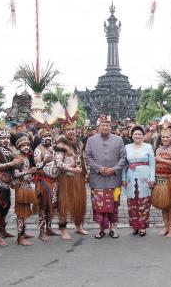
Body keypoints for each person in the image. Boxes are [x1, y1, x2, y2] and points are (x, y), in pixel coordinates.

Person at [85, 115, 127, 239]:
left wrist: (113, 169)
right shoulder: (91, 140)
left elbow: (123, 157)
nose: (105, 127)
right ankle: (101, 229)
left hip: (114, 179)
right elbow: (87, 157)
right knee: (98, 206)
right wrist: (99, 168)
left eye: (107, 125)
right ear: (98, 127)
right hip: (97, 179)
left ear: (111, 127)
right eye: (102, 125)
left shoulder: (118, 140)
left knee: (113, 205)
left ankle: (113, 228)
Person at [55, 97, 89, 239]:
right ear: (63, 130)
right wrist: (71, 169)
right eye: (68, 129)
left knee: (79, 201)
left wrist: (86, 173)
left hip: (79, 177)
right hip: (66, 178)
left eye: (72, 128)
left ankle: (79, 225)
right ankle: (63, 229)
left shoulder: (80, 142)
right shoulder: (61, 143)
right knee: (64, 202)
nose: (71, 131)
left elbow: (82, 158)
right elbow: (58, 163)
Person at [122, 125, 155, 236]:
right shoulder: (127, 147)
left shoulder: (148, 147)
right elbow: (124, 165)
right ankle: (135, 226)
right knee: (132, 203)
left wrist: (152, 178)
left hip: (145, 178)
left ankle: (143, 227)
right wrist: (123, 178)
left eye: (139, 134)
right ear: (132, 135)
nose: (137, 136)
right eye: (135, 134)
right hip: (131, 178)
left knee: (144, 202)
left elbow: (152, 164)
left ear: (143, 135)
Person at [0, 126, 18, 246]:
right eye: (2, 138)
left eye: (7, 137)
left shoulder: (10, 150)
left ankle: (4, 231)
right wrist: (11, 163)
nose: (6, 140)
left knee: (4, 210)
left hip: (6, 186)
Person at [152, 126, 171, 237]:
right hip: (159, 179)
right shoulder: (158, 149)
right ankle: (166, 227)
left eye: (167, 137)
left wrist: (161, 159)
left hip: (170, 179)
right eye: (163, 137)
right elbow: (155, 163)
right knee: (163, 204)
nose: (165, 139)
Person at [33, 127, 59, 242]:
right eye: (45, 137)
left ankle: (49, 228)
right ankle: (41, 232)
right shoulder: (38, 150)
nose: (48, 138)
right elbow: (37, 166)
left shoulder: (52, 148)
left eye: (49, 136)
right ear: (41, 138)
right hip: (44, 182)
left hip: (53, 182)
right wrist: (44, 161)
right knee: (43, 207)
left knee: (51, 206)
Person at [12, 133, 38, 246]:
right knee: (21, 213)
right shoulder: (18, 158)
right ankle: (20, 237)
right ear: (18, 147)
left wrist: (30, 176)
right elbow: (16, 174)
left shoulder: (25, 156)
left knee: (25, 211)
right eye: (23, 145)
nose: (26, 147)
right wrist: (29, 172)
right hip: (21, 186)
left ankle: (23, 233)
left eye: (28, 144)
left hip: (26, 186)